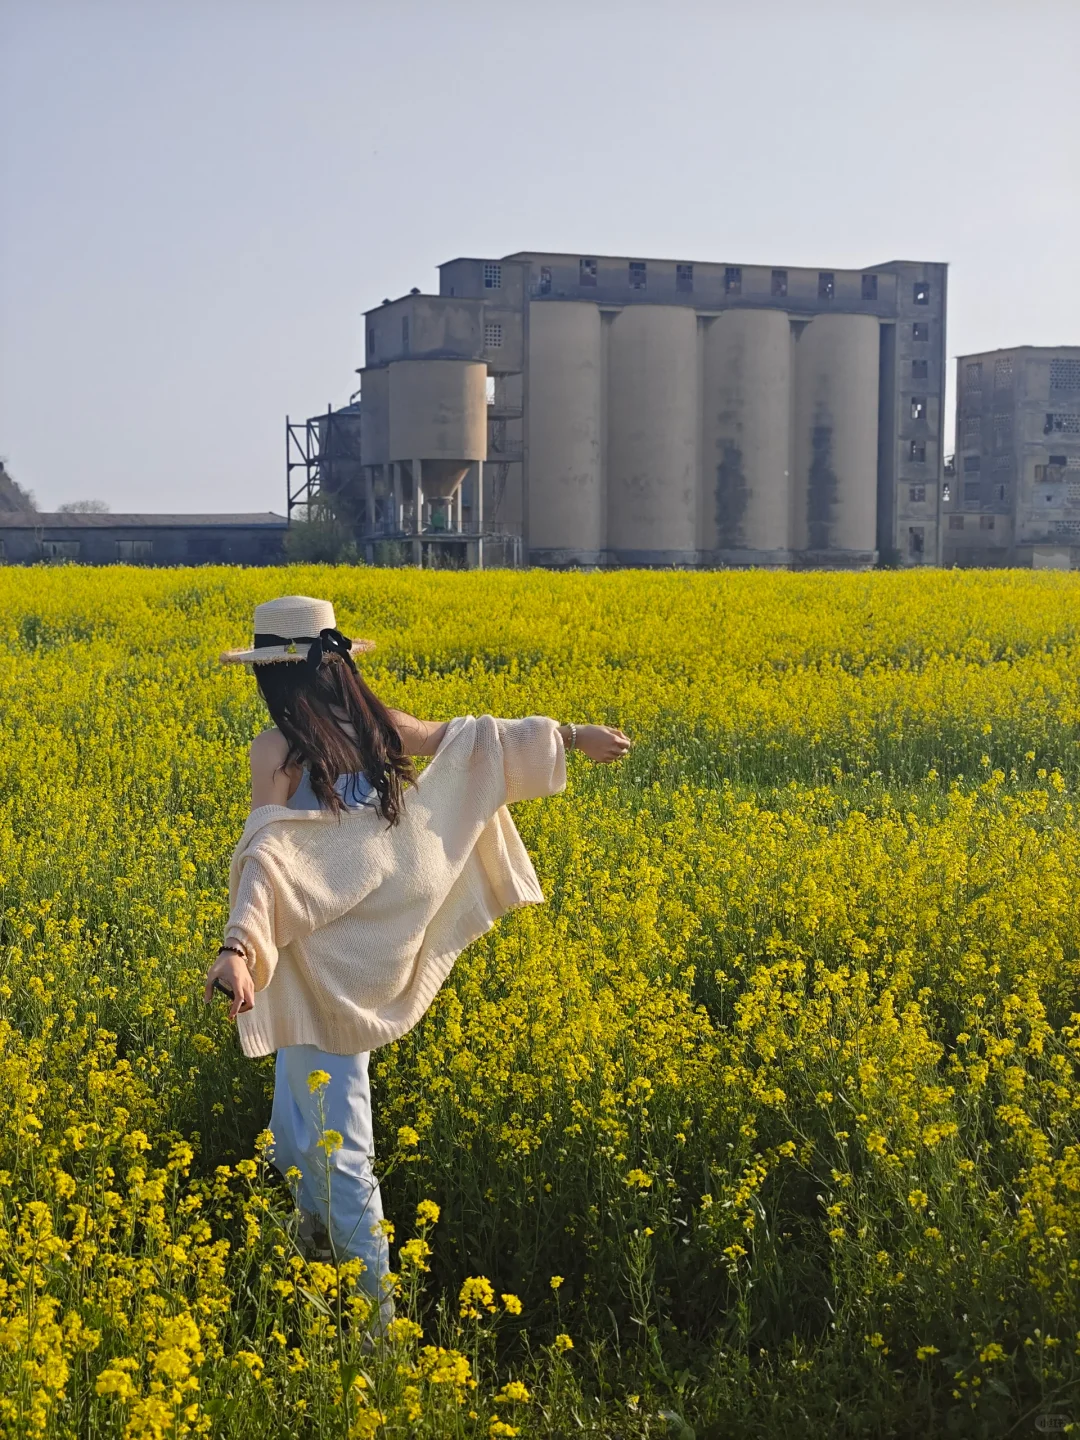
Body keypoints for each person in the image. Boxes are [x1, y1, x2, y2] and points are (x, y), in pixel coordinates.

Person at [204, 595, 630, 1335]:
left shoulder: (366, 732)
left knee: (340, 1156)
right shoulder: (282, 751)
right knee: (297, 1135)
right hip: (300, 963)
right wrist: (241, 948)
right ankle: (304, 1259)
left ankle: (377, 1335)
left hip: (350, 964)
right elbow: (266, 854)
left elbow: (469, 742)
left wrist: (567, 737)